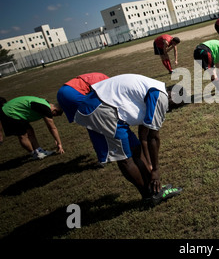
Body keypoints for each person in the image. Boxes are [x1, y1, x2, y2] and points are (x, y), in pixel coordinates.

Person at [73, 73, 182, 205]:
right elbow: (153, 137)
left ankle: (154, 190)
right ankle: (149, 197)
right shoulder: (160, 97)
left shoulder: (154, 88)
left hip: (106, 106)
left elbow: (143, 137)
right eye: (173, 105)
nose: (168, 109)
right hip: (102, 108)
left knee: (135, 148)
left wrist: (150, 166)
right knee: (125, 158)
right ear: (171, 96)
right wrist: (156, 171)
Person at [0, 96, 65, 159]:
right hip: (10, 113)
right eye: (54, 115)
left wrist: (57, 140)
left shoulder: (45, 103)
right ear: (54, 111)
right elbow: (52, 128)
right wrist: (59, 143)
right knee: (23, 135)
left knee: (30, 131)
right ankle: (34, 154)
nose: (52, 117)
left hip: (16, 112)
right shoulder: (45, 109)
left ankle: (39, 151)